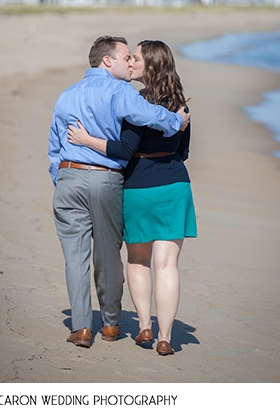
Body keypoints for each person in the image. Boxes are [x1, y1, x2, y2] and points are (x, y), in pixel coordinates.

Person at [48, 35, 190, 349]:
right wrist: (176, 120)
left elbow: (55, 147)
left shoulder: (66, 95)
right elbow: (155, 120)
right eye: (126, 57)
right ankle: (111, 325)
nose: (129, 62)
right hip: (109, 178)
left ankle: (83, 327)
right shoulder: (122, 92)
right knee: (111, 255)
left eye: (132, 58)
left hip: (69, 176)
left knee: (76, 258)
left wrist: (62, 177)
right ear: (107, 61)